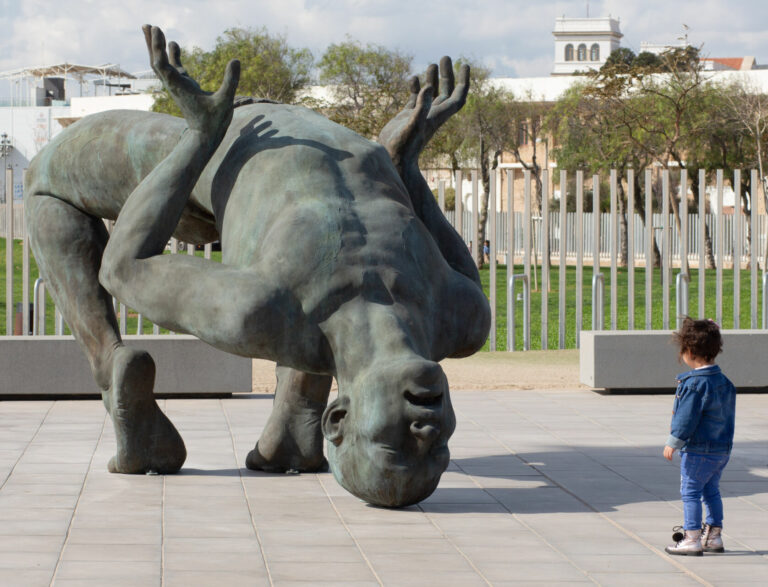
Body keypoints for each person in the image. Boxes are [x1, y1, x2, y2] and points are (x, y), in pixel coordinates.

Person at [663, 317, 736, 556]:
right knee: (711, 491)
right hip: (721, 450)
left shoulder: (695, 384)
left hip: (697, 451)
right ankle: (713, 536)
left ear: (690, 351)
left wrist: (674, 442)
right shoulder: (725, 383)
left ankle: (691, 537)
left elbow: (687, 417)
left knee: (690, 492)